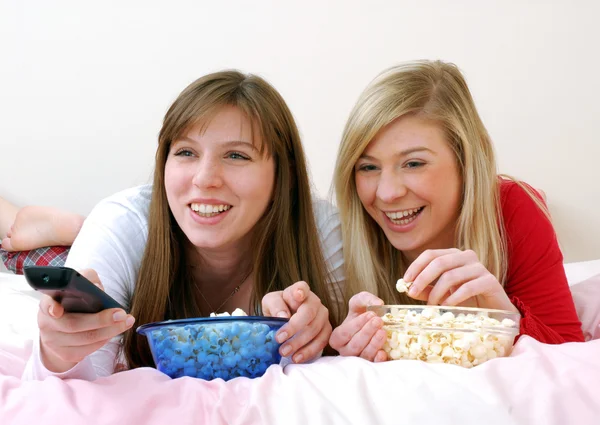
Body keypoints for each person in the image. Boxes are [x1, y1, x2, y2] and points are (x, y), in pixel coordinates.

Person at [21, 70, 345, 380]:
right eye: (186, 152)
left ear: (282, 173)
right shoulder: (121, 224)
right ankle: (58, 227)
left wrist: (317, 335)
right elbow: (67, 388)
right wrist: (60, 355)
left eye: (236, 156)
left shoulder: (320, 230)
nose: (204, 179)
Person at [328, 60, 584, 362]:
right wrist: (340, 353)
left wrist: (506, 322)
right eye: (368, 167)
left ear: (465, 161)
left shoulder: (513, 210)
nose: (386, 193)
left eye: (413, 163)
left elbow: (572, 359)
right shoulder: (336, 237)